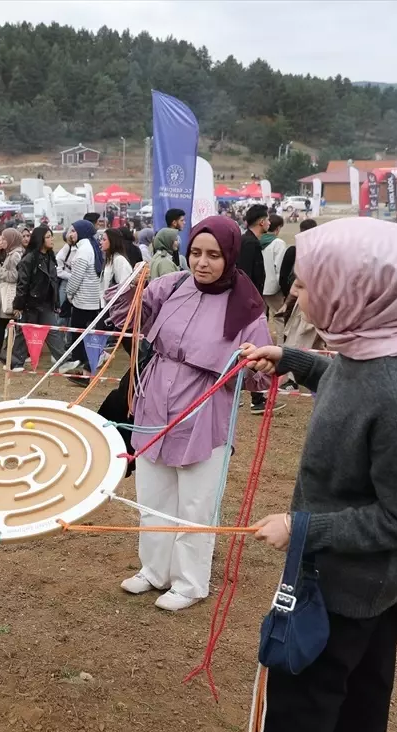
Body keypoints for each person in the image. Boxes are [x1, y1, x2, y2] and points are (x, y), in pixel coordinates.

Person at [205, 216, 397, 732]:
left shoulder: (394, 390)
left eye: (306, 283)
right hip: (377, 579)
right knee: (365, 678)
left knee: (302, 696)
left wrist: (302, 526)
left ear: (355, 293)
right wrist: (294, 359)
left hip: (354, 578)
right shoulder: (376, 346)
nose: (296, 293)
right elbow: (349, 379)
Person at [109, 216, 272, 612]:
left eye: (213, 255)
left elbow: (260, 375)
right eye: (196, 252)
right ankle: (154, 570)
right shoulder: (173, 285)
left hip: (204, 411)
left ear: (229, 256)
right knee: (153, 495)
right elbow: (122, 318)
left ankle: (190, 582)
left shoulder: (248, 308)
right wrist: (132, 286)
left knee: (196, 504)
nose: (202, 262)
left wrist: (254, 366)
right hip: (154, 401)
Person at [9, 225, 65, 372]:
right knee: (24, 333)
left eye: (51, 236)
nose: (51, 239)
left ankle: (63, 361)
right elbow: (22, 285)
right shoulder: (28, 259)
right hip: (30, 303)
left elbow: (53, 283)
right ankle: (15, 362)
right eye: (48, 237)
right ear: (40, 240)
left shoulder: (51, 257)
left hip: (46, 303)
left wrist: (56, 303)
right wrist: (18, 305)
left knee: (52, 330)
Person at [237, 205, 276, 414]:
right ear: (262, 221)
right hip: (249, 306)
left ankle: (254, 396)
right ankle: (256, 398)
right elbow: (245, 277)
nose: (269, 222)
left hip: (250, 304)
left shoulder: (250, 241)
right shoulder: (249, 244)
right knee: (254, 347)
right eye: (267, 219)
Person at [62, 219, 104, 373]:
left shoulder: (84, 249)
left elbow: (76, 277)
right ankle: (87, 360)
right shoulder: (91, 246)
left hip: (83, 300)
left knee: (77, 332)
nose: (70, 234)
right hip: (93, 299)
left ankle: (80, 360)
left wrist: (69, 294)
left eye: (74, 231)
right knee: (88, 333)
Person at [0, 227, 25, 359]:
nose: (2, 241)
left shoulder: (15, 255)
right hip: (8, 295)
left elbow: (14, 276)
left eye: (5, 238)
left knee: (4, 324)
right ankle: (2, 353)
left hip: (10, 295)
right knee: (6, 325)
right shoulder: (12, 253)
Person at [260, 213, 287, 321]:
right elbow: (279, 267)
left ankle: (261, 338)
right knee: (279, 318)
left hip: (258, 286)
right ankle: (280, 339)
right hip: (273, 287)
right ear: (278, 227)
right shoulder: (278, 243)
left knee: (260, 317)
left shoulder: (256, 240)